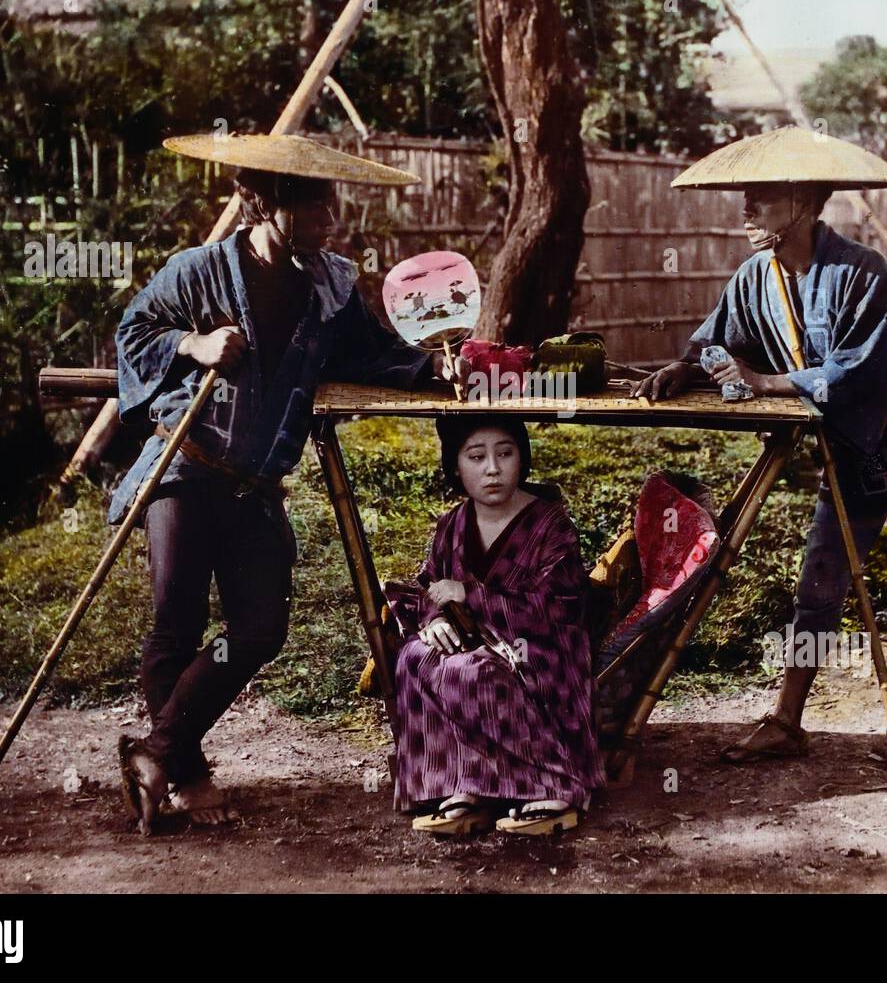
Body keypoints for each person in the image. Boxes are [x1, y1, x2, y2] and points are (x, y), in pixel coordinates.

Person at [113, 133, 469, 834]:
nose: (326, 218)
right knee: (177, 623)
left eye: (329, 203)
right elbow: (132, 332)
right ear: (265, 201)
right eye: (311, 204)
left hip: (254, 485)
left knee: (260, 626)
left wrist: (431, 369)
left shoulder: (330, 287)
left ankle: (154, 754)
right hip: (185, 468)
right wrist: (194, 345)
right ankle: (184, 771)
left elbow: (370, 353)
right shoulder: (200, 271)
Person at [633, 126, 887, 767]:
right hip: (846, 441)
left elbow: (857, 373)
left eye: (759, 199)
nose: (746, 211)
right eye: (745, 198)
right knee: (819, 580)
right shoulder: (753, 278)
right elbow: (722, 340)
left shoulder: (863, 273)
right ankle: (788, 719)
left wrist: (766, 381)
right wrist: (685, 369)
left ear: (802, 202)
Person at [388, 415, 605, 836]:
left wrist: (471, 595)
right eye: (476, 456)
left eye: (505, 453)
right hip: (475, 642)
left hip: (540, 650)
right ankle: (465, 783)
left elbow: (559, 608)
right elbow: (430, 586)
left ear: (522, 460)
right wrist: (433, 620)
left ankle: (554, 784)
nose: (492, 468)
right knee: (415, 657)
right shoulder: (452, 524)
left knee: (469, 670)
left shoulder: (550, 524)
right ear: (455, 466)